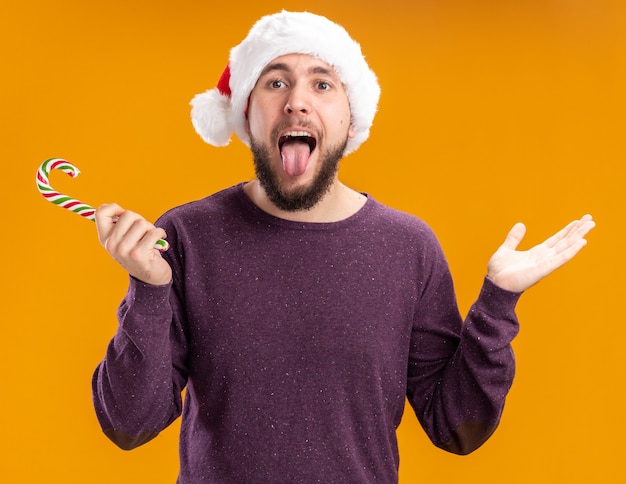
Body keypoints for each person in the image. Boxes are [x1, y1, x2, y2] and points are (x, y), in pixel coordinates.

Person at [91, 10, 595, 483]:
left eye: (322, 83)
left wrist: (497, 305)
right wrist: (149, 290)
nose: (296, 100)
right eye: (275, 82)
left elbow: (456, 427)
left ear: (350, 122)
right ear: (247, 115)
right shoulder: (185, 236)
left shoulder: (408, 247)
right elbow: (128, 425)